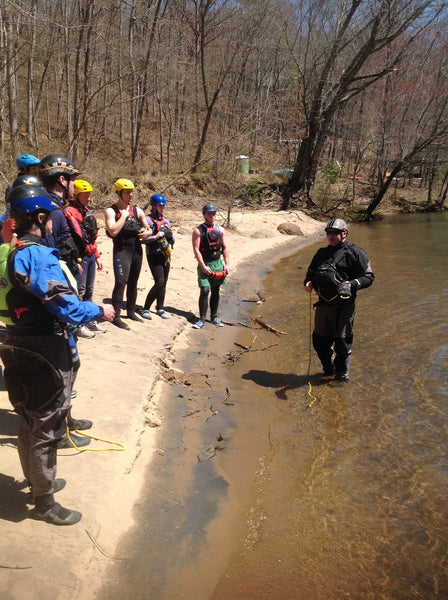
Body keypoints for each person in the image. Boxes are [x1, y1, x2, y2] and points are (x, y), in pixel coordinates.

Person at [0, 184, 114, 525]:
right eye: (50, 216)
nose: (53, 221)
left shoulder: (4, 251)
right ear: (38, 218)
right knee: (46, 426)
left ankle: (38, 482)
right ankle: (44, 501)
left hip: (12, 344)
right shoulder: (35, 256)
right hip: (42, 350)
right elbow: (66, 308)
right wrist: (98, 311)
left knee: (26, 418)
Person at [39, 154, 94, 439]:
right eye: (72, 180)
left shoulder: (47, 207)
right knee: (66, 364)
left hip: (56, 299)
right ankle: (59, 429)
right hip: (57, 302)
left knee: (69, 364)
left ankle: (67, 419)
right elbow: (52, 263)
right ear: (62, 180)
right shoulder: (55, 212)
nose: (75, 185)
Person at [304, 218, 374, 382]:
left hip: (344, 306)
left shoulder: (355, 253)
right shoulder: (321, 253)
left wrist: (352, 284)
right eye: (329, 233)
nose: (331, 236)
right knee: (319, 342)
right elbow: (311, 272)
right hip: (323, 305)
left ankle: (341, 378)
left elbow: (369, 277)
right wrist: (307, 282)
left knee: (342, 344)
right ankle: (329, 370)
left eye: (335, 232)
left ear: (344, 234)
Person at [105, 178, 151, 330]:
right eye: (127, 192)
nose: (130, 195)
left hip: (137, 251)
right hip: (121, 251)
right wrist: (123, 216)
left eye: (132, 192)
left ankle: (131, 312)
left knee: (133, 282)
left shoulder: (137, 210)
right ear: (119, 193)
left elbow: (149, 228)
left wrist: (147, 233)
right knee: (121, 282)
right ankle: (116, 316)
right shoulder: (111, 211)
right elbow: (112, 231)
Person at [66, 179, 105, 337]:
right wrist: (74, 259)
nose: (89, 198)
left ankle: (89, 319)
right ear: (76, 195)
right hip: (80, 257)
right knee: (79, 291)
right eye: (86, 195)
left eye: (89, 195)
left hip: (89, 255)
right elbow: (72, 239)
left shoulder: (86, 210)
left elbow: (91, 238)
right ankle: (79, 324)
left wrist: (97, 256)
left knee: (89, 290)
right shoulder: (69, 211)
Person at [192, 202, 230, 329]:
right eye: (209, 214)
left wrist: (227, 264)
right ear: (204, 215)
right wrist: (202, 265)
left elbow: (224, 247)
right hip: (205, 263)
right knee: (204, 290)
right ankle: (201, 319)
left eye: (213, 213)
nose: (212, 216)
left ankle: (214, 317)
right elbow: (196, 249)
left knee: (215, 290)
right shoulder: (198, 231)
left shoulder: (221, 230)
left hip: (217, 263)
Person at [141, 194, 175, 320]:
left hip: (166, 255)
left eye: (163, 205)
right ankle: (145, 308)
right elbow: (142, 239)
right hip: (153, 254)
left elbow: (173, 240)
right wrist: (156, 236)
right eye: (160, 205)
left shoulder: (166, 221)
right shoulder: (148, 220)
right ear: (154, 206)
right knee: (159, 281)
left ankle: (160, 308)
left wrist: (169, 235)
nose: (163, 207)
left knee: (164, 283)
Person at [1, 154, 41, 241]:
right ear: (24, 170)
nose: (36, 171)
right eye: (33, 169)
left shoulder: (38, 184)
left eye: (37, 168)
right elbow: (10, 207)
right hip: (18, 224)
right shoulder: (13, 187)